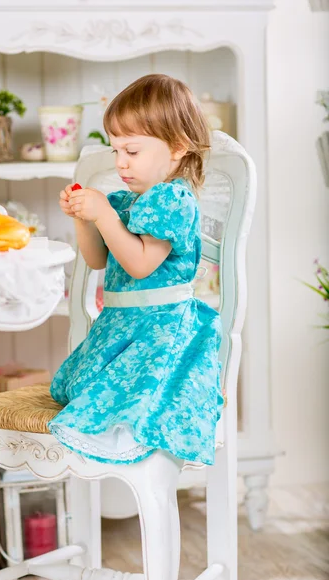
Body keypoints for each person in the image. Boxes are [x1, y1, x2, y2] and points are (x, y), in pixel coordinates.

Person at [48, 73, 224, 466]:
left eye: (132, 151)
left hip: (160, 330)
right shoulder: (126, 201)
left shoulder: (173, 199)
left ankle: (129, 437)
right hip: (123, 326)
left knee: (135, 397)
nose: (121, 163)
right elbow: (97, 259)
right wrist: (84, 217)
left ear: (178, 147)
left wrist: (104, 214)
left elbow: (142, 264)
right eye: (115, 152)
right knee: (83, 389)